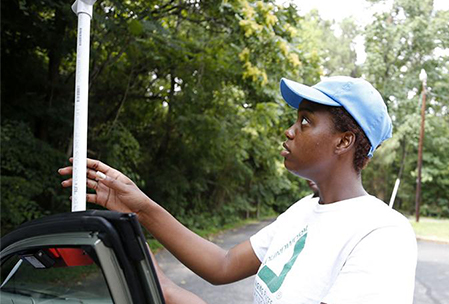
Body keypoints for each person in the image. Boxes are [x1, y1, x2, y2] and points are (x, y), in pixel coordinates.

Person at [59, 76, 417, 304]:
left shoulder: (382, 235)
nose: (290, 131)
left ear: (344, 141)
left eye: (306, 121)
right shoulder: (303, 211)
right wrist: (141, 210)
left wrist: (176, 295)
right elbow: (224, 265)